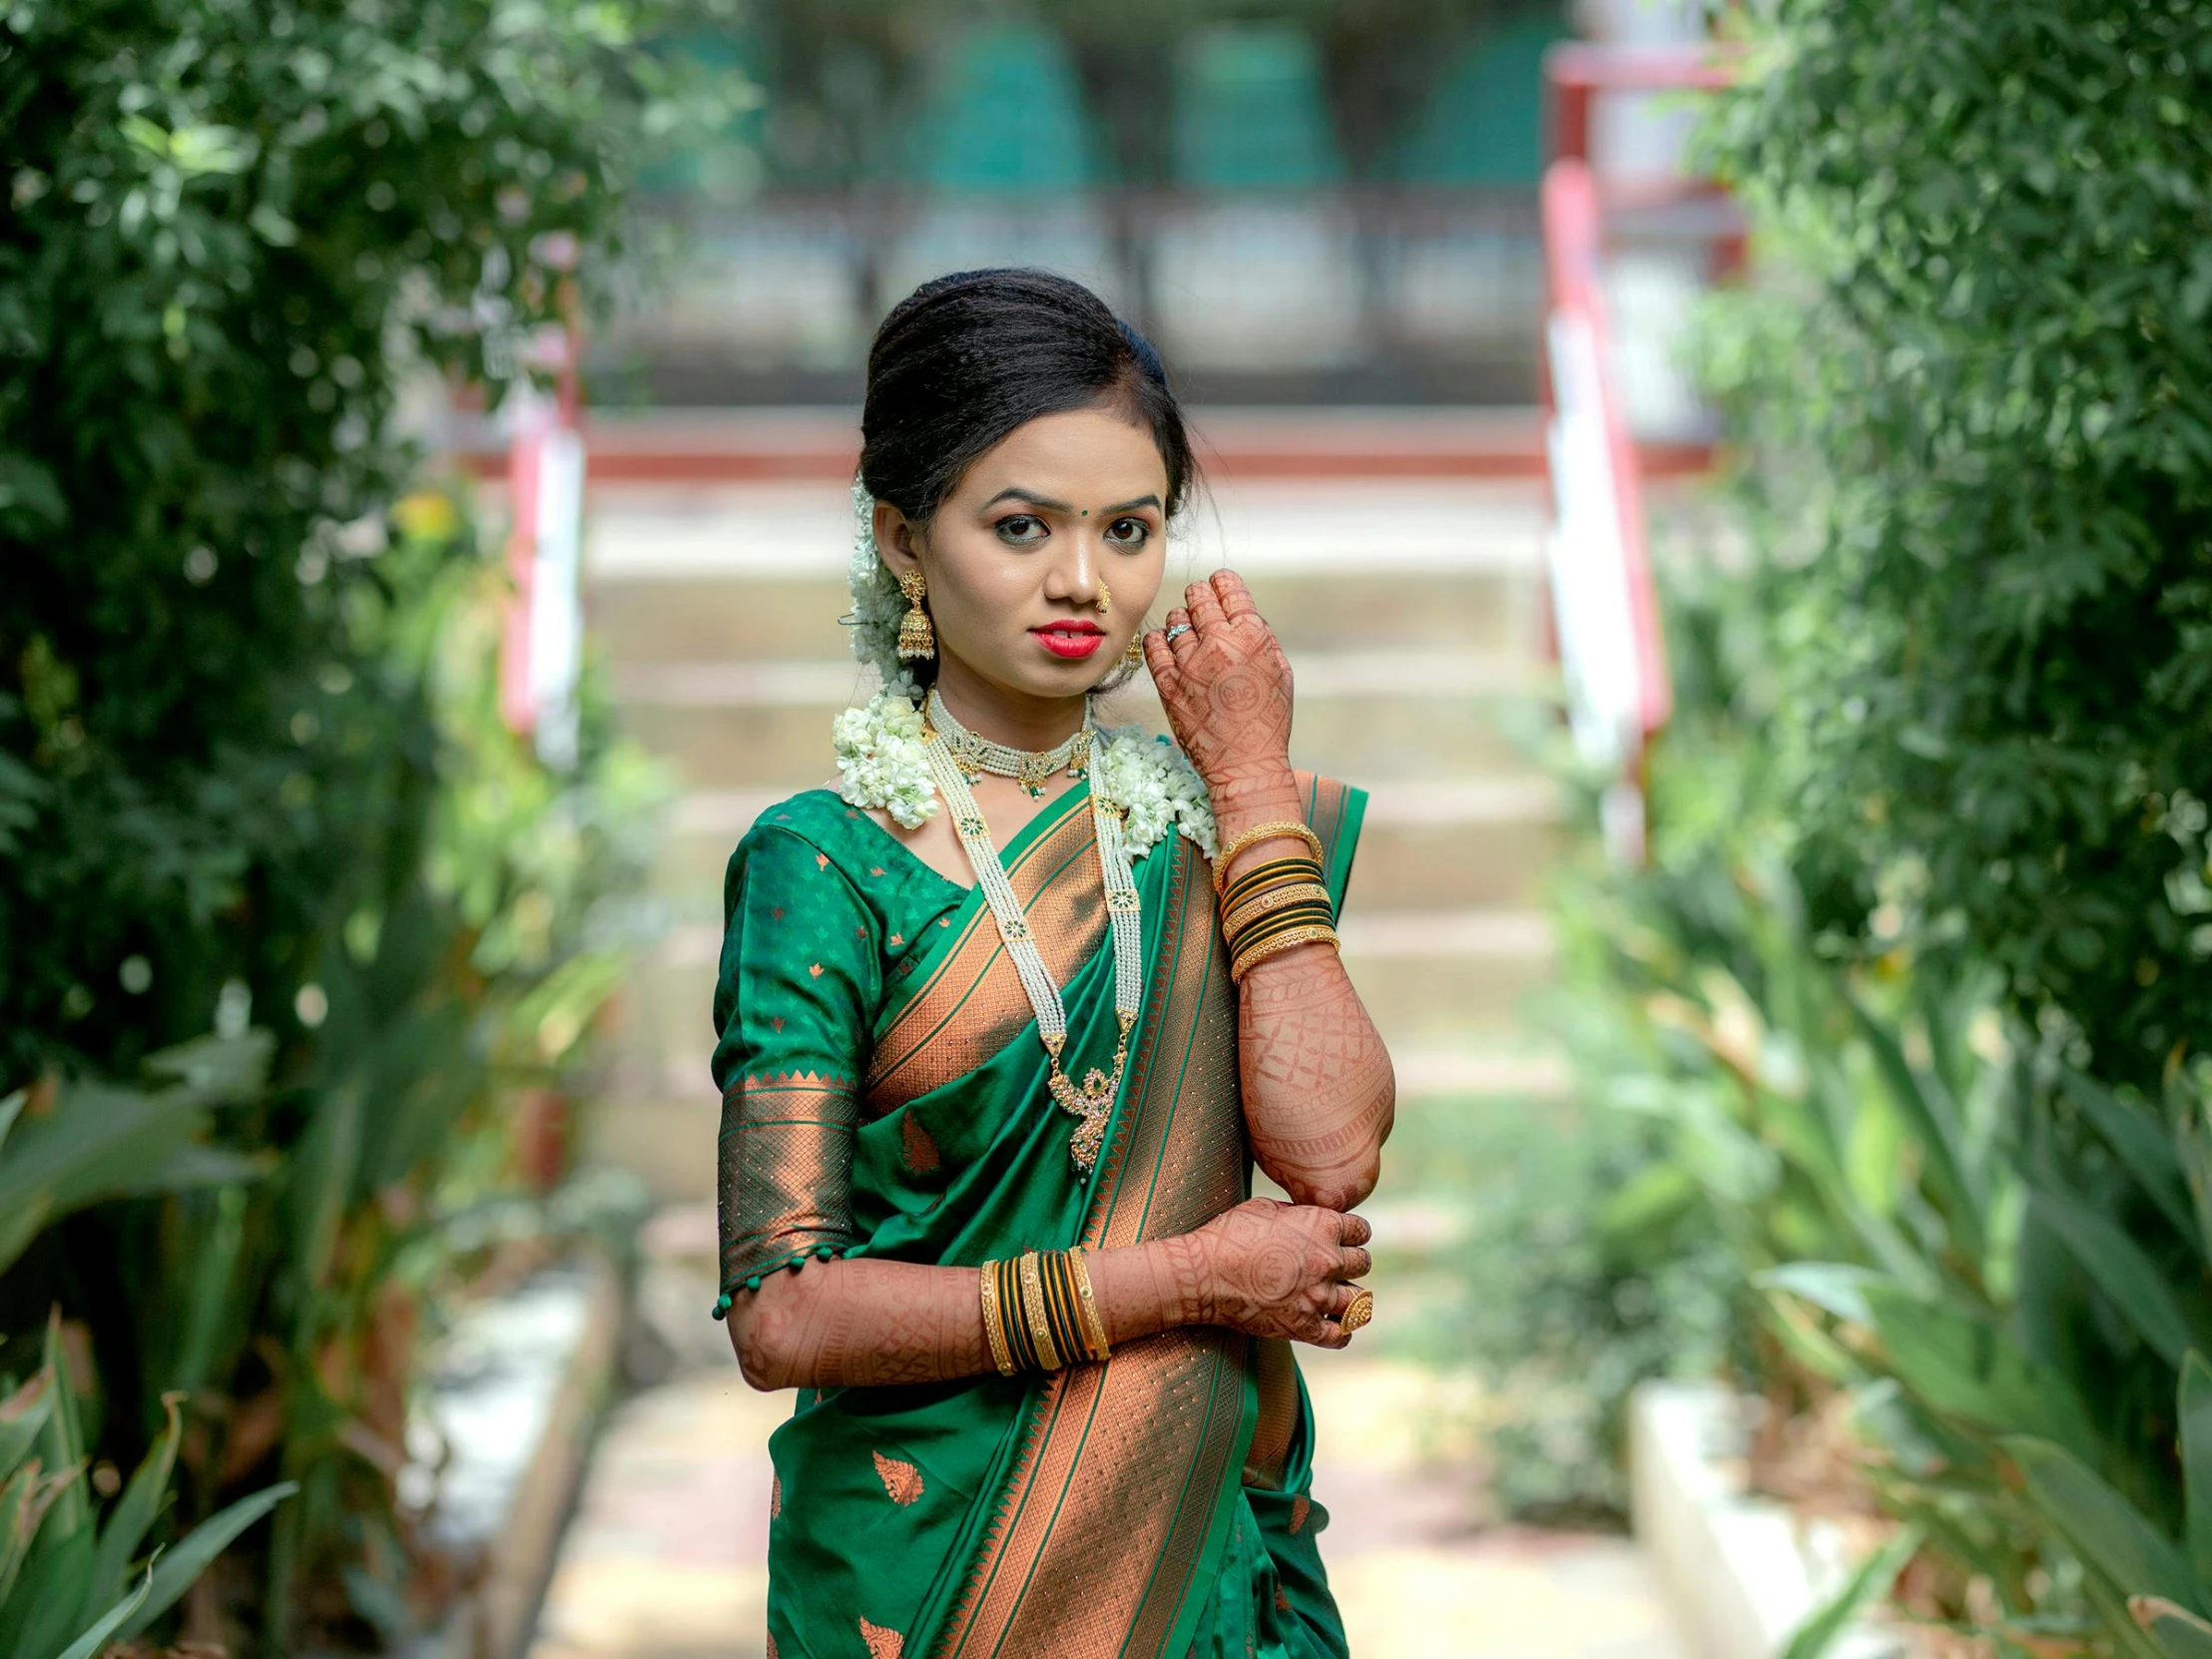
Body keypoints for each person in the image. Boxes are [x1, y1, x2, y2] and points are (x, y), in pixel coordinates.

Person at [710, 268, 1394, 1659]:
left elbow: (1330, 1160)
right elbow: (783, 1313)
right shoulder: (824, 863)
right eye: (1020, 526)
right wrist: (1182, 1282)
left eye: (1129, 528)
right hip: (927, 1576)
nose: (1084, 581)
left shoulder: (1211, 829)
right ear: (906, 538)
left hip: (1196, 1559)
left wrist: (1254, 787)